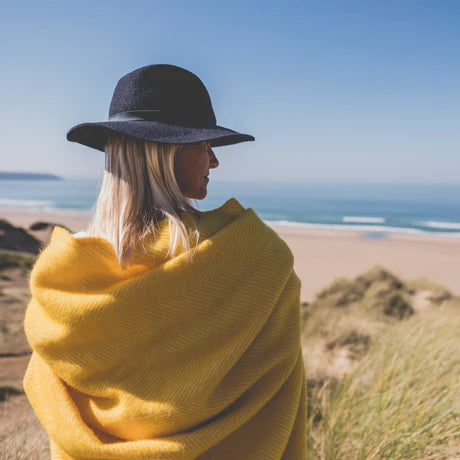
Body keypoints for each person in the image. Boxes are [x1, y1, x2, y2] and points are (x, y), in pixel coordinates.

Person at [22, 64, 308, 459]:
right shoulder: (254, 256)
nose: (214, 161)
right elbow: (277, 400)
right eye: (204, 146)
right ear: (164, 152)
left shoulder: (62, 282)